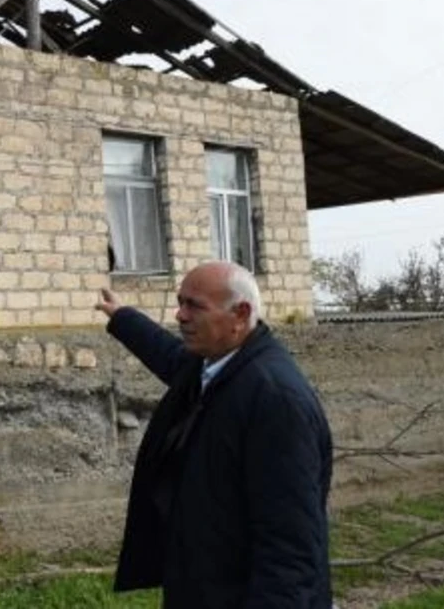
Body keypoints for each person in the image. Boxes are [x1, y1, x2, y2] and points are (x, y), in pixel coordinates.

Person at [95, 260, 333, 608]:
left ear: (240, 314)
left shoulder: (274, 400)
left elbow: (290, 545)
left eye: (194, 306)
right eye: (181, 302)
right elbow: (169, 357)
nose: (180, 315)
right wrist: (123, 318)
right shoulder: (215, 365)